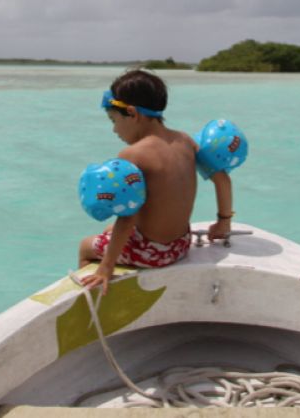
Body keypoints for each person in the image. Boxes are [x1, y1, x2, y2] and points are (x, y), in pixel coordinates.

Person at [78, 69, 235, 294]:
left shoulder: (133, 155)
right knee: (108, 229)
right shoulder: (185, 141)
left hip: (153, 254)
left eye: (114, 120)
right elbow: (222, 179)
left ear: (132, 113)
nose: (114, 130)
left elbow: (127, 217)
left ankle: (95, 298)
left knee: (85, 246)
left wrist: (106, 267)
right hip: (181, 246)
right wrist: (224, 222)